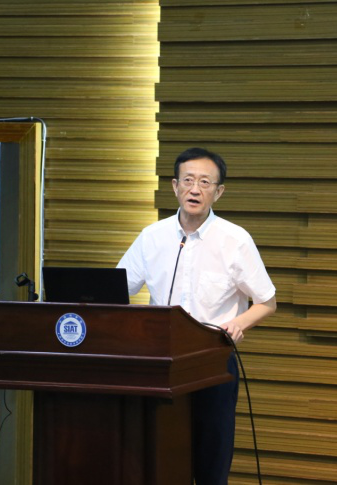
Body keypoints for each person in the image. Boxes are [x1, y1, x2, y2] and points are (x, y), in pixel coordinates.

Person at [117, 147, 276, 484]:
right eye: (188, 180)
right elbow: (116, 291)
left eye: (205, 182)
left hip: (211, 362)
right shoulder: (153, 237)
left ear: (218, 192)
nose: (195, 189)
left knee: (209, 464)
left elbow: (267, 301)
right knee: (160, 460)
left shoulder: (235, 240)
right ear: (175, 186)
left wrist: (238, 324)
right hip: (161, 362)